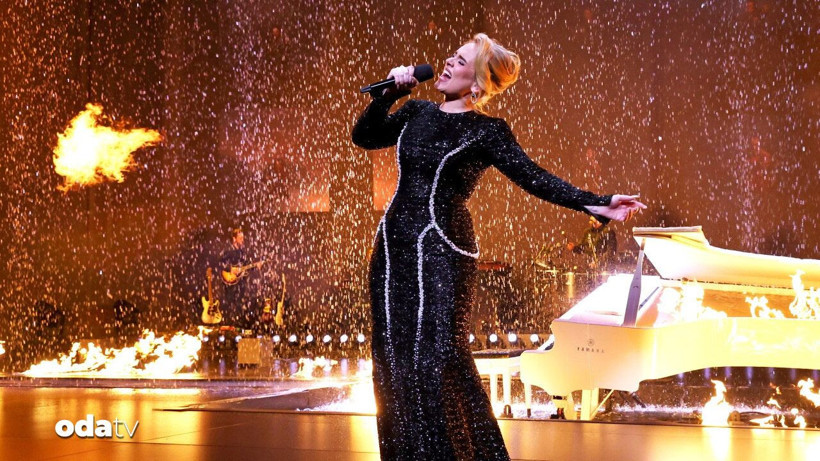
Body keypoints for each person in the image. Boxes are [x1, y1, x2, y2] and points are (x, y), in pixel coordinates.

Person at [352, 33, 645, 460]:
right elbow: (364, 136)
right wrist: (390, 94)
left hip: (442, 249)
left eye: (460, 61)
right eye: (451, 56)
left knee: (438, 357)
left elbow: (533, 176)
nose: (447, 63)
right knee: (393, 359)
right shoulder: (416, 112)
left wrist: (595, 201)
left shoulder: (487, 131)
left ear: (477, 83)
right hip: (393, 248)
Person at [218, 228, 264, 329]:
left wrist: (256, 266)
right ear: (234, 239)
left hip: (240, 283)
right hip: (230, 282)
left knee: (240, 304)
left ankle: (238, 326)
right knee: (230, 303)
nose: (242, 240)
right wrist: (230, 268)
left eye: (243, 238)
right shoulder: (228, 250)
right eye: (240, 238)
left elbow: (246, 265)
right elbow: (220, 264)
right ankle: (227, 325)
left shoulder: (242, 252)